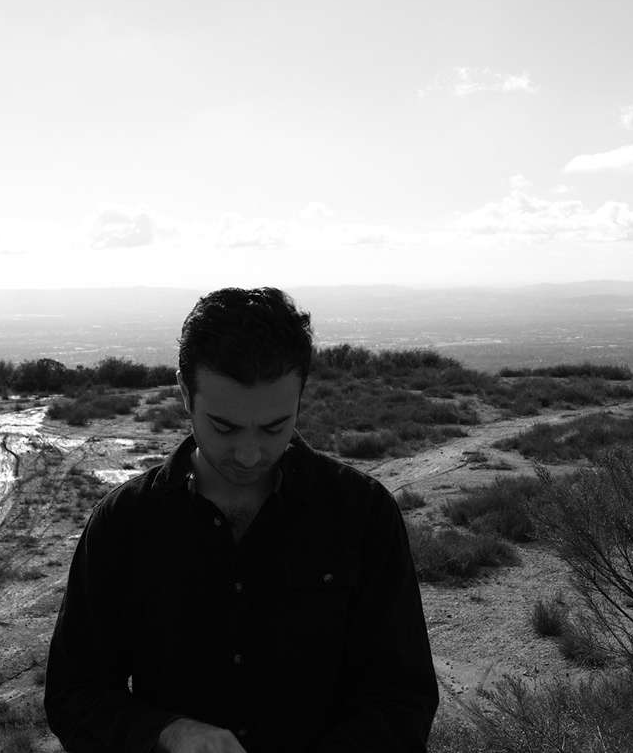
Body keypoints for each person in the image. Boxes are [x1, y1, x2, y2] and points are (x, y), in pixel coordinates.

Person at [44, 287, 438, 753]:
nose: (250, 455)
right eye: (224, 427)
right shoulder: (124, 523)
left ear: (301, 396)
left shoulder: (363, 513)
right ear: (185, 394)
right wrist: (167, 733)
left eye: (274, 427)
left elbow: (401, 698)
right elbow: (74, 694)